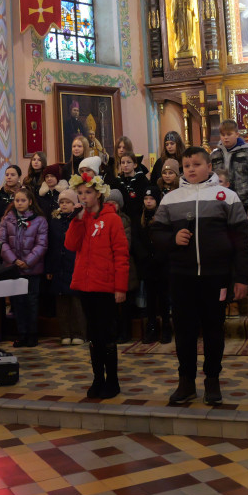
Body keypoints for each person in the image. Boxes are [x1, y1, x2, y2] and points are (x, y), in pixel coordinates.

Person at [152, 146, 248, 406]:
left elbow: (242, 241)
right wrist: (172, 239)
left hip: (215, 276)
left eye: (196, 164)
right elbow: (156, 236)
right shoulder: (170, 199)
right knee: (184, 331)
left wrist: (241, 277)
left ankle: (212, 380)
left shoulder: (227, 197)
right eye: (187, 166)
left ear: (209, 166)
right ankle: (185, 381)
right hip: (182, 276)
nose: (191, 169)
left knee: (213, 331)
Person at [66, 171, 130, 399]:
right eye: (80, 193)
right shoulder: (81, 219)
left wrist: (120, 287)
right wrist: (78, 221)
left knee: (107, 335)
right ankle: (97, 378)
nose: (83, 197)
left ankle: (112, 380)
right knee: (93, 336)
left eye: (88, 193)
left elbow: (121, 254)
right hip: (86, 286)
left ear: (99, 194)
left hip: (106, 286)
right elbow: (71, 245)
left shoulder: (112, 219)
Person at [0, 187, 48, 347]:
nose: (19, 203)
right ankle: (22, 334)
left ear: (30, 202)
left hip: (32, 268)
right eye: (17, 200)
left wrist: (28, 261)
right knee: (17, 302)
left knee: (31, 301)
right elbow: (2, 241)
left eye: (23, 200)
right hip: (13, 268)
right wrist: (14, 260)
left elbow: (42, 244)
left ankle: (33, 334)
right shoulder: (7, 219)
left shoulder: (40, 220)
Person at [45, 189, 86, 346]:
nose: (64, 205)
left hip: (74, 264)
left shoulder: (78, 218)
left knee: (76, 302)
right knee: (61, 302)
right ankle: (65, 333)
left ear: (74, 203)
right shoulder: (54, 220)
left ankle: (79, 333)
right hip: (58, 265)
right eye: (61, 202)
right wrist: (49, 268)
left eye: (67, 202)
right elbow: (50, 245)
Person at [137, 186, 171, 344]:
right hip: (147, 264)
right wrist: (145, 255)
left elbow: (167, 238)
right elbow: (137, 240)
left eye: (151, 199)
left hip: (161, 263)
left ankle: (166, 327)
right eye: (146, 199)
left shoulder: (163, 216)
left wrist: (159, 255)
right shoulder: (140, 217)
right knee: (150, 298)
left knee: (163, 298)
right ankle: (151, 327)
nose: (148, 201)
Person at [107, 189, 138, 343]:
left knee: (124, 305)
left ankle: (125, 332)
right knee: (111, 307)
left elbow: (125, 244)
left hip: (123, 266)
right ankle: (114, 331)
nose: (111, 206)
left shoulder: (124, 220)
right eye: (108, 203)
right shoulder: (102, 219)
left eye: (114, 203)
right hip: (108, 268)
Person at [210, 119, 248, 207]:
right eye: (223, 135)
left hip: (244, 202)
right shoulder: (214, 155)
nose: (225, 137)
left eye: (229, 134)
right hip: (219, 201)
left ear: (237, 134)